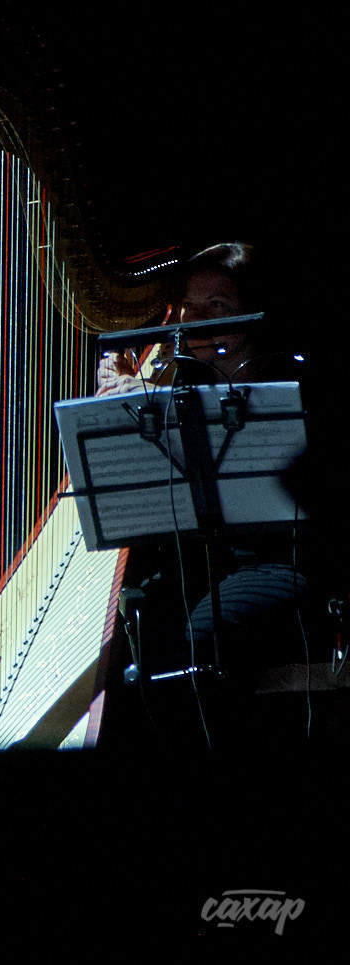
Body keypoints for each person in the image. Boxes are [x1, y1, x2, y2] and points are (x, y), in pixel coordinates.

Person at [97, 242, 332, 745]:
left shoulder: (296, 382)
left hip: (286, 564)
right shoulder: (175, 389)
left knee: (196, 639)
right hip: (203, 564)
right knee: (128, 638)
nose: (194, 318)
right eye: (188, 305)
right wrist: (119, 413)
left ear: (253, 313)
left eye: (217, 307)